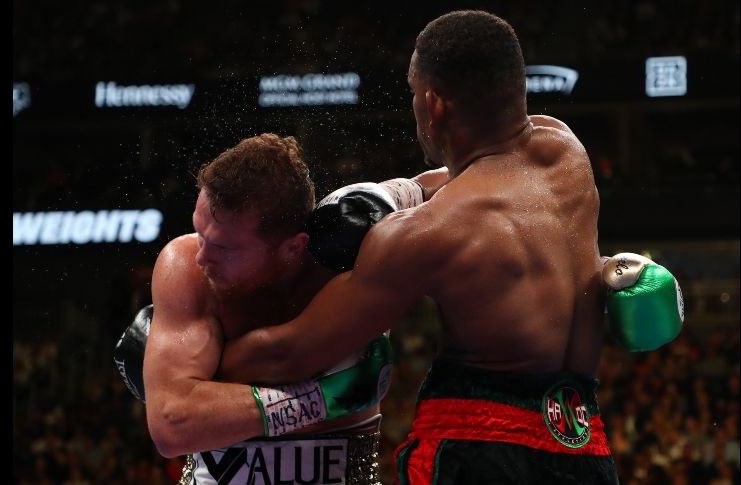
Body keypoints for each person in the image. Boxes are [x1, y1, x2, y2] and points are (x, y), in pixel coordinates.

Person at [212, 11, 680, 484]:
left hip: (476, 451)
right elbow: (472, 178)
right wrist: (393, 193)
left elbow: (289, 354)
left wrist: (184, 358)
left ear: (433, 104)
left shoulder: (425, 235)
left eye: (414, 92)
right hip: (582, 443)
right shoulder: (565, 151)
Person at [129, 132, 448, 485]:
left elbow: (463, 178)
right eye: (199, 233)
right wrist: (324, 399)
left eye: (224, 248)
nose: (202, 257)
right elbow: (174, 425)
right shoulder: (185, 265)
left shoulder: (353, 241)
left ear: (292, 248)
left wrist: (519, 134)